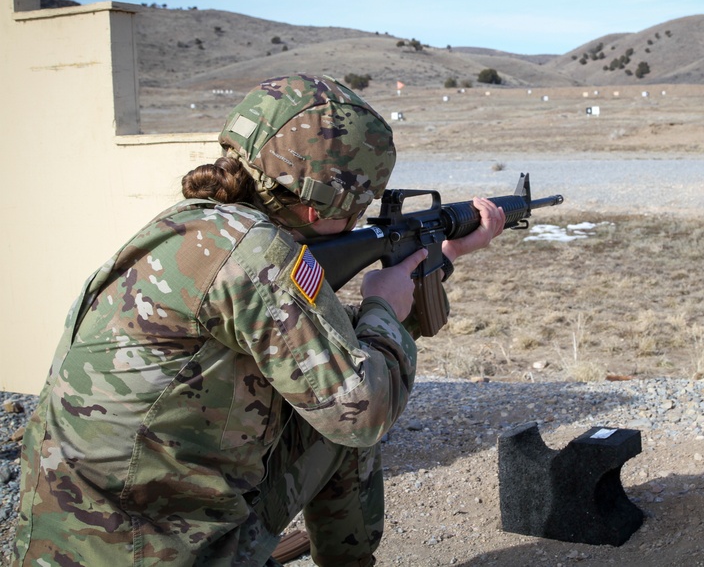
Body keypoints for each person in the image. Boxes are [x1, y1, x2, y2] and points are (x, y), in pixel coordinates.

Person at [14, 74, 504, 566]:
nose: (359, 222)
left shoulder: (192, 225)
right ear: (320, 208)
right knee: (339, 423)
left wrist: (443, 255)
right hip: (162, 553)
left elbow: (311, 345)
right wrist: (383, 306)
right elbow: (361, 411)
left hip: (64, 539)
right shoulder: (258, 254)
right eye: (358, 208)